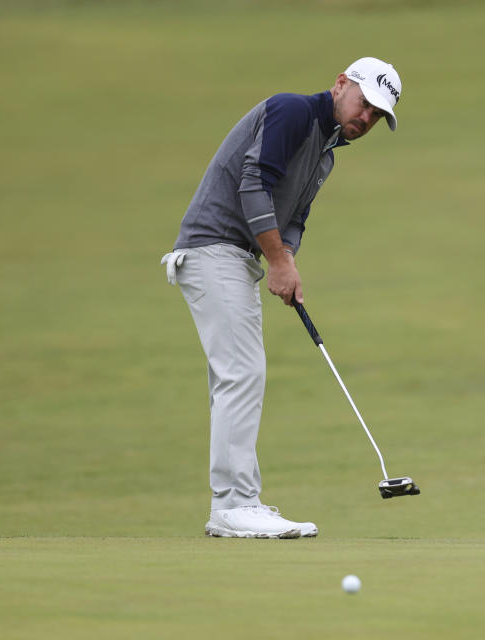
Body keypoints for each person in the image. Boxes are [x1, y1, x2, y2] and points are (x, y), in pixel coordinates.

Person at [160, 57, 402, 539]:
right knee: (242, 373)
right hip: (215, 248)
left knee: (235, 375)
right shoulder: (292, 112)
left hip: (236, 258)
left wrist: (284, 256)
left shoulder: (327, 153)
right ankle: (234, 505)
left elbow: (295, 216)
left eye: (377, 115)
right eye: (365, 104)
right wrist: (278, 262)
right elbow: (255, 184)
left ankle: (232, 504)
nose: (366, 118)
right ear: (340, 85)